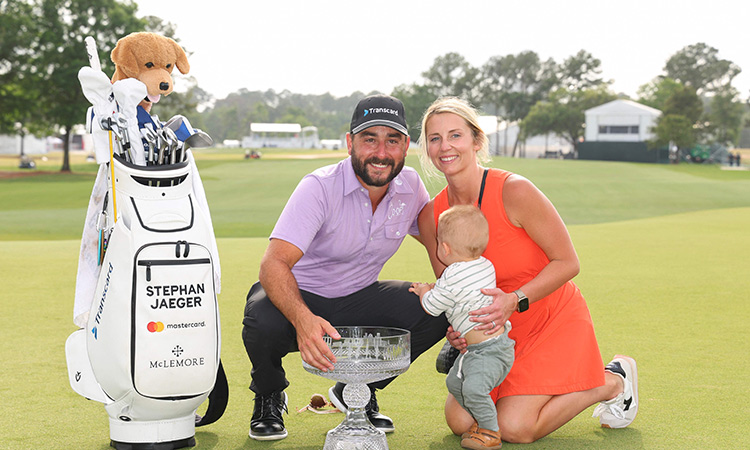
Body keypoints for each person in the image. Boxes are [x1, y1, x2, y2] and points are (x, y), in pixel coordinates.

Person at [416, 97, 639, 444]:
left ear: (476, 141)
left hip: (548, 316)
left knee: (516, 427)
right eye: (435, 138)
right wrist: (456, 330)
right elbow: (451, 287)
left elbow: (568, 262)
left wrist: (514, 299)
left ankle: (612, 381)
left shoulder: (514, 190)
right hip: (491, 336)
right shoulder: (432, 216)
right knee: (459, 420)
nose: (445, 146)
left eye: (455, 135)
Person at [241, 94, 450, 441]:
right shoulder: (319, 187)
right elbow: (273, 264)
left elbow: (439, 245)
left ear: (405, 146)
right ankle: (269, 394)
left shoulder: (410, 186)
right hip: (303, 294)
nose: (381, 152)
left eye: (392, 140)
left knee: (439, 308)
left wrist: (456, 301)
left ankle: (357, 389)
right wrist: (303, 319)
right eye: (370, 139)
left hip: (360, 297)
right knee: (261, 318)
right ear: (350, 142)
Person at [410, 205, 514, 450]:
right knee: (455, 384)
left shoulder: (453, 275)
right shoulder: (484, 265)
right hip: (483, 349)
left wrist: (424, 290)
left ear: (444, 248)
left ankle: (490, 432)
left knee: (474, 388)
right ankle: (480, 423)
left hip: (488, 350)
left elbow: (433, 306)